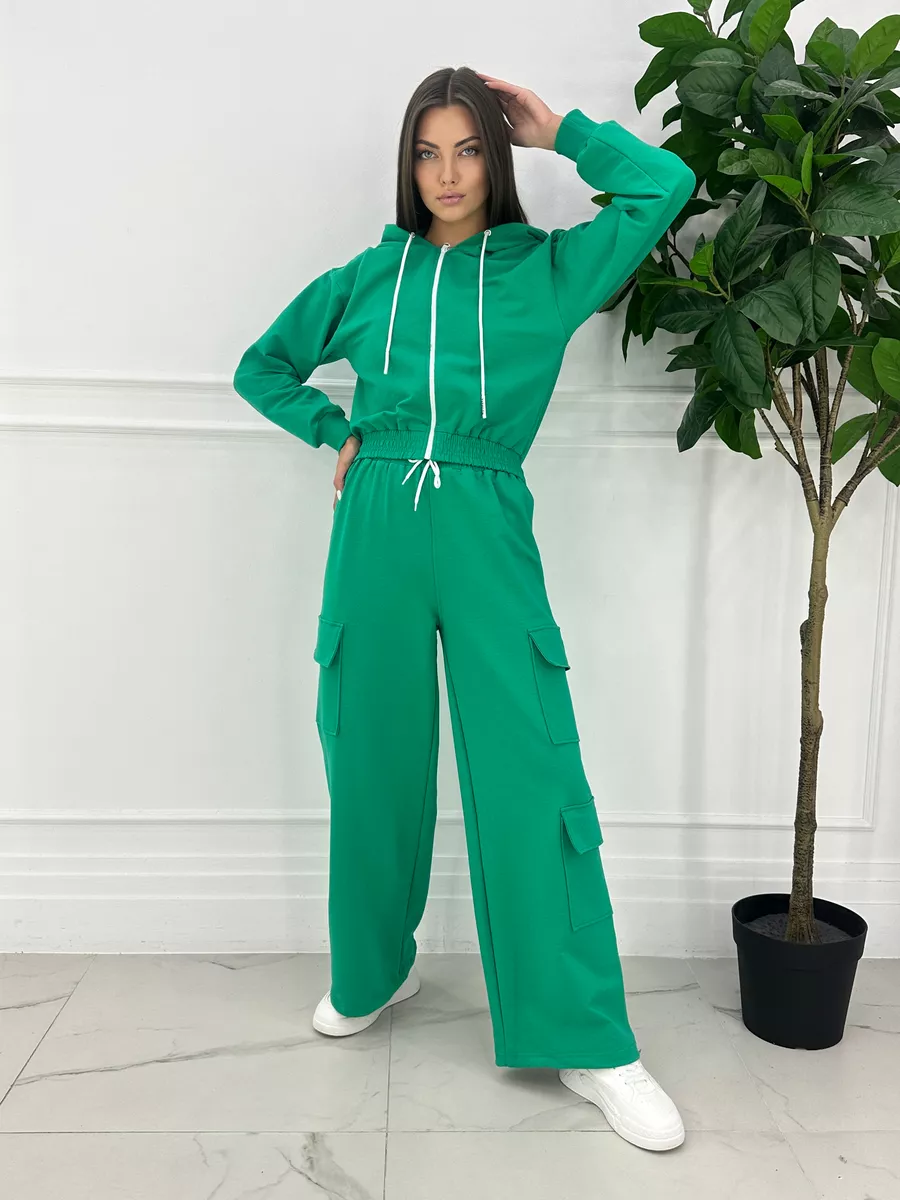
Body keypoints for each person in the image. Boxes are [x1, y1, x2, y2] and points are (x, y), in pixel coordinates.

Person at [233, 64, 695, 1153]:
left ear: (496, 156)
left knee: (532, 770)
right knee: (371, 760)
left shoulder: (550, 269)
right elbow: (264, 366)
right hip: (376, 526)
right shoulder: (368, 275)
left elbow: (663, 186)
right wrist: (336, 431)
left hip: (488, 523)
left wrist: (558, 129)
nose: (448, 173)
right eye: (428, 152)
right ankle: (371, 971)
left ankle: (589, 1038)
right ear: (409, 165)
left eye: (471, 148)